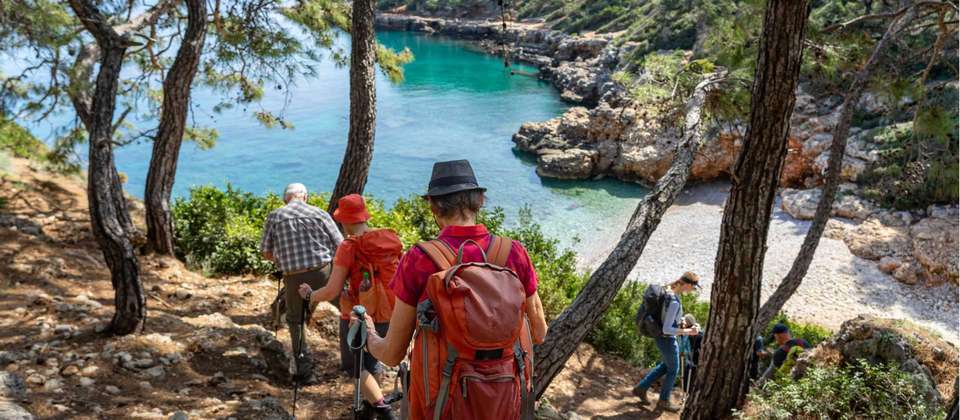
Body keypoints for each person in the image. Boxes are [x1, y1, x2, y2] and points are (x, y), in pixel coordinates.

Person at [358, 159, 549, 420]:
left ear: (434, 207)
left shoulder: (419, 259)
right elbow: (538, 332)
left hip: (439, 403)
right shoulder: (513, 253)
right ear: (480, 201)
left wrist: (368, 334)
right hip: (503, 401)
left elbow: (392, 353)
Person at [298, 194, 402, 419]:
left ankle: (384, 411)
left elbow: (331, 290)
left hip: (359, 315)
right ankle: (369, 408)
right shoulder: (385, 241)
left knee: (354, 365)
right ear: (364, 216)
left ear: (344, 221)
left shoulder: (349, 246)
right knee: (374, 361)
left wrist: (310, 295)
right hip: (392, 311)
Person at [260, 182, 343, 383]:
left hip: (293, 278)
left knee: (295, 321)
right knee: (348, 309)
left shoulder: (275, 216)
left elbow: (266, 253)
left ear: (285, 199)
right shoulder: (320, 213)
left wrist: (281, 260)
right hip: (324, 272)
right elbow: (341, 244)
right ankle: (359, 356)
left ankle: (305, 371)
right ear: (304, 196)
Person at [632, 272, 702, 412]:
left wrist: (680, 321)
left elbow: (665, 317)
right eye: (693, 288)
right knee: (673, 370)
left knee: (666, 366)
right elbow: (667, 329)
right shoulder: (674, 301)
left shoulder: (668, 291)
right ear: (687, 285)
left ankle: (641, 388)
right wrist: (689, 332)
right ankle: (663, 401)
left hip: (661, 337)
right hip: (666, 339)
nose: (693, 291)